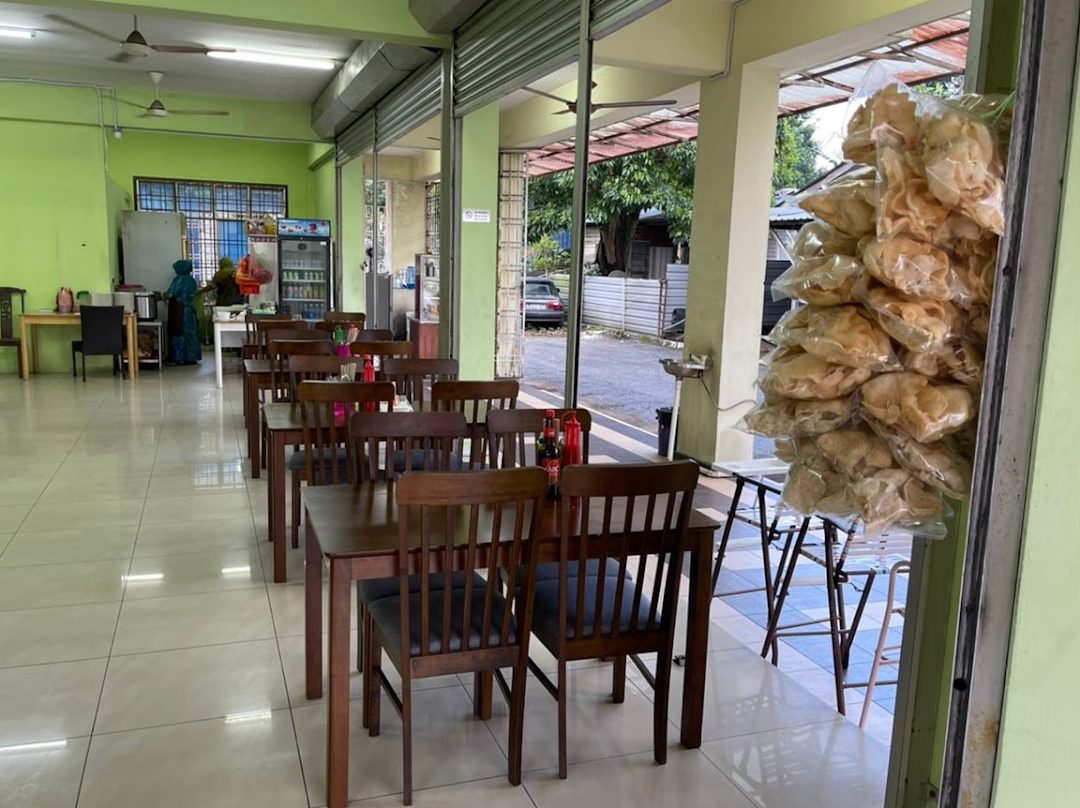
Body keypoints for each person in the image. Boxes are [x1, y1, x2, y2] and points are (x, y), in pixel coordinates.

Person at [166, 259, 202, 365]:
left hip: (179, 310)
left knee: (178, 333)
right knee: (191, 334)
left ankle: (178, 358)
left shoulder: (178, 279)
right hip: (190, 310)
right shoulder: (192, 280)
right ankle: (191, 358)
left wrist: (162, 296)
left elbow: (171, 294)